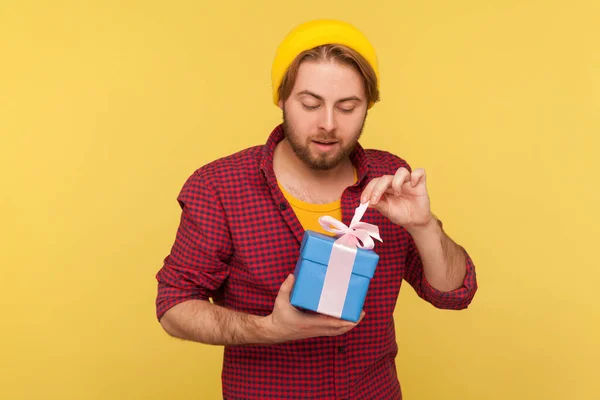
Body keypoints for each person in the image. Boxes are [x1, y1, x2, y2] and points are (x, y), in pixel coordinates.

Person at [155, 19, 478, 400]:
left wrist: (424, 226)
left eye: (347, 107)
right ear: (281, 98)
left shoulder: (389, 180)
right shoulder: (219, 187)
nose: (328, 124)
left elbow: (453, 293)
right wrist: (270, 329)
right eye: (310, 104)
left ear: (368, 107)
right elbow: (174, 305)